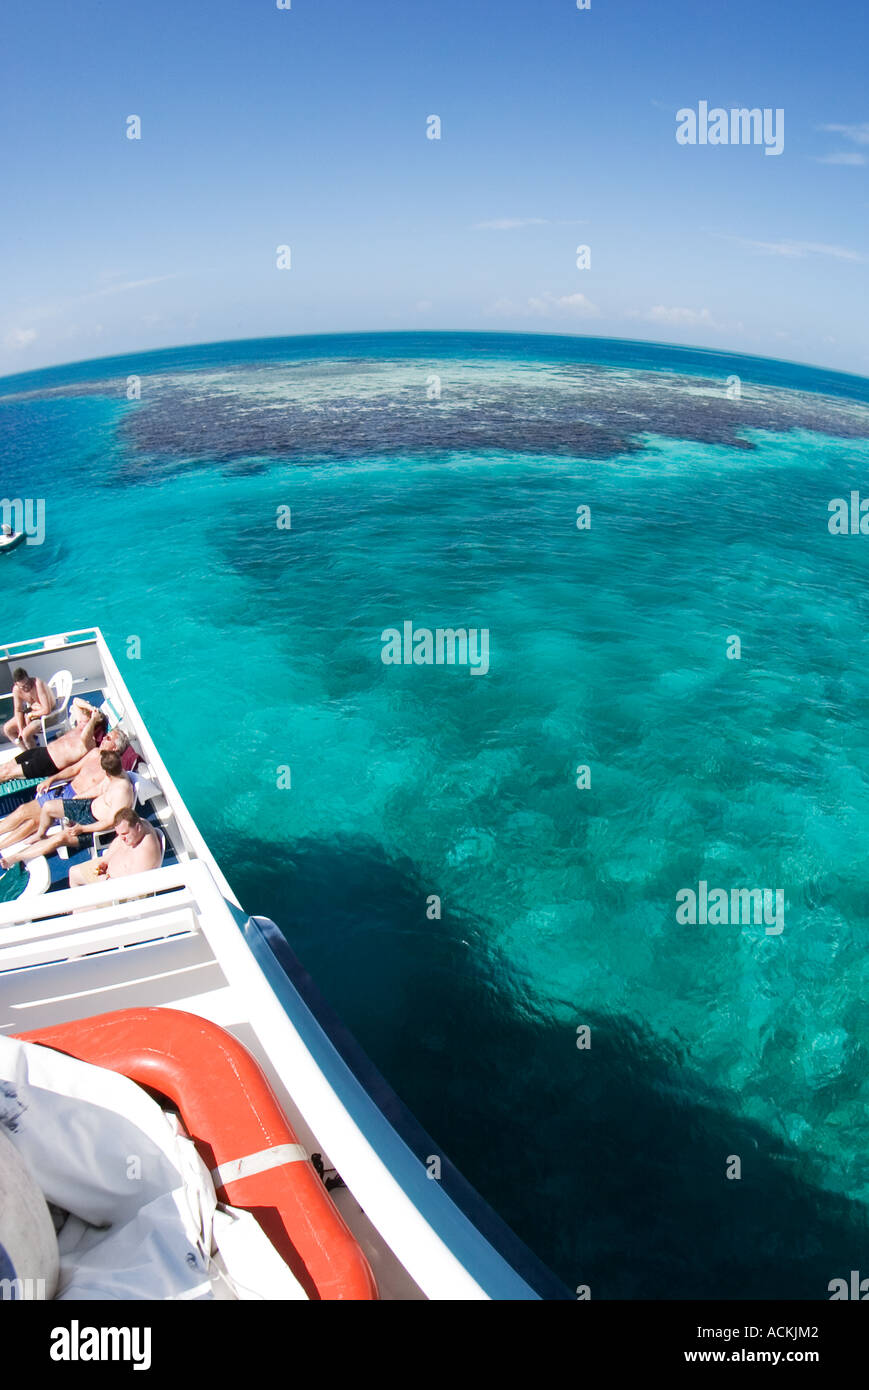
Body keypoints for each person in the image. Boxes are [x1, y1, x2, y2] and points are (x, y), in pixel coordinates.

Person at [0, 751, 136, 870]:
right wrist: (77, 798)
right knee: (48, 807)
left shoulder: (122, 791)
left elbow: (110, 822)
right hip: (88, 806)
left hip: (94, 825)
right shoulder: (114, 775)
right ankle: (40, 834)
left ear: (106, 772)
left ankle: (16, 857)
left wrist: (82, 829)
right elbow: (99, 789)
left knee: (59, 839)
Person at [0, 727, 130, 850]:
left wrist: (76, 801)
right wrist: (51, 779)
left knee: (33, 823)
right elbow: (73, 769)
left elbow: (101, 794)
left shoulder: (112, 771)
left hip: (76, 802)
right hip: (64, 790)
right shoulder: (95, 753)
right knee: (23, 811)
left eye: (108, 738)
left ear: (115, 747)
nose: (103, 738)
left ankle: (2, 846)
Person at [0, 703, 107, 784]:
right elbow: (75, 702)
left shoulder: (91, 742)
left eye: (86, 716)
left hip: (47, 763)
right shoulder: (79, 726)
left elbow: (85, 737)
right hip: (41, 751)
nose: (82, 715)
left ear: (93, 723)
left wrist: (93, 719)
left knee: (7, 773)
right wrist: (91, 708)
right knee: (5, 767)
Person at [69, 807, 162, 887]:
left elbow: (132, 887)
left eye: (125, 834)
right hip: (105, 873)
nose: (122, 838)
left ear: (138, 827)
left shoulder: (145, 852)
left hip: (115, 890)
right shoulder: (137, 825)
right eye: (119, 834)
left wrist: (106, 880)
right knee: (73, 872)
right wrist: (105, 860)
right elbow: (119, 841)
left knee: (84, 906)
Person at [3, 668, 56, 749]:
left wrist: (30, 715)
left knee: (26, 733)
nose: (26, 687)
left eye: (27, 683)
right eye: (23, 687)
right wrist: (20, 728)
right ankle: (27, 754)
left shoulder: (38, 684)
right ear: (16, 684)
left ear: (28, 678)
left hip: (49, 715)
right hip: (34, 712)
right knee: (7, 728)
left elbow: (47, 709)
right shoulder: (16, 690)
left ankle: (35, 756)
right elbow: (18, 710)